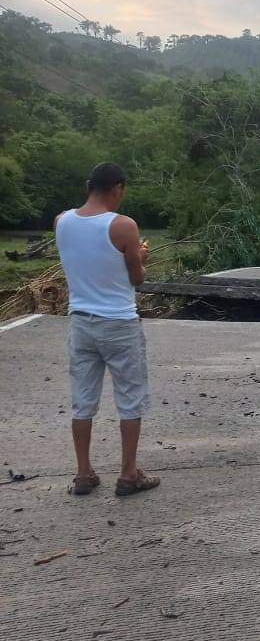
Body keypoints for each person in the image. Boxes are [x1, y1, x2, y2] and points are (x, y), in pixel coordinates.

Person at [54, 162, 160, 497]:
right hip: (119, 323)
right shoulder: (123, 226)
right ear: (117, 188)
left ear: (90, 185)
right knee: (130, 400)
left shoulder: (62, 221)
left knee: (82, 402)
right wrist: (141, 255)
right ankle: (129, 474)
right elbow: (136, 278)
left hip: (81, 323)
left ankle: (84, 474)